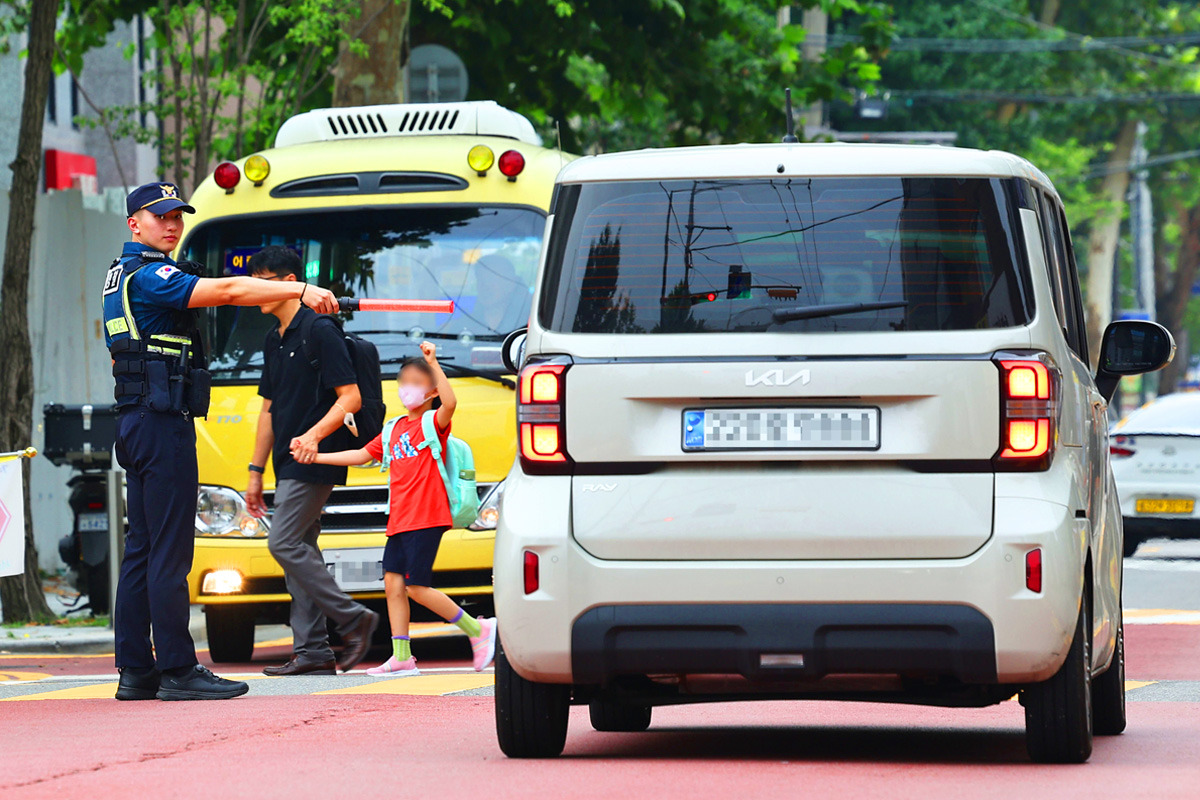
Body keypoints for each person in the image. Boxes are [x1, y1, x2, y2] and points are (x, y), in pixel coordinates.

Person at [104, 182, 339, 701]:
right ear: (133, 223)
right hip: (161, 424)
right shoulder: (151, 274)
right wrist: (297, 290)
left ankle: (137, 670)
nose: (172, 224)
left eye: (178, 216)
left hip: (137, 420)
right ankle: (178, 670)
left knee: (142, 551)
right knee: (168, 553)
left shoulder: (120, 275)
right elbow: (229, 292)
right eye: (159, 215)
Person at [302, 342, 497, 676]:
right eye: (403, 381)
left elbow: (451, 403)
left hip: (428, 517)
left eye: (417, 382)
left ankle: (479, 630)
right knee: (392, 585)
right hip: (400, 520)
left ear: (432, 391)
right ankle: (402, 656)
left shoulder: (433, 423)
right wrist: (316, 456)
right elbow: (361, 455)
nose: (408, 388)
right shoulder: (393, 429)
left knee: (416, 587)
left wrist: (433, 362)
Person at [245, 246, 380, 676]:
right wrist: (254, 471)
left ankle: (352, 617)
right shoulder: (274, 337)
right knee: (300, 548)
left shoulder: (320, 329)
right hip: (288, 460)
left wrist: (313, 436)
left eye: (262, 281)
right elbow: (268, 410)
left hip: (315, 456)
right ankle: (313, 651)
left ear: (289, 284)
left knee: (283, 543)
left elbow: (351, 397)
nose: (253, 290)